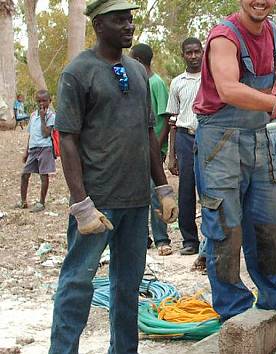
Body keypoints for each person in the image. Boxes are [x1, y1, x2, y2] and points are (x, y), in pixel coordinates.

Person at [49, 1, 178, 353]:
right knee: (77, 282)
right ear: (98, 25)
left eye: (131, 19)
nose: (129, 26)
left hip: (136, 202)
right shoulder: (78, 73)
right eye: (119, 20)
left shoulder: (138, 72)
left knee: (128, 286)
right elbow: (68, 140)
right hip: (98, 203)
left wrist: (163, 186)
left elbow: (148, 132)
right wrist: (81, 204)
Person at [192, 0, 276, 324]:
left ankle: (273, 302)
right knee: (225, 227)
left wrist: (275, 87)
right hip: (220, 139)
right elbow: (229, 89)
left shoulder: (272, 32)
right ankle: (235, 313)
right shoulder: (224, 37)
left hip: (257, 135)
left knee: (271, 223)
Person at [130, 43, 173, 256]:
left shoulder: (156, 83)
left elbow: (165, 118)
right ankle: (142, 237)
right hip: (137, 149)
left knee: (156, 192)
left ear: (137, 60)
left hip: (153, 148)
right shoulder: (136, 82)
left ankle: (162, 239)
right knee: (139, 193)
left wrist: (156, 146)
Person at [165, 37, 204, 257]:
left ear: (202, 51)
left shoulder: (212, 78)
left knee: (209, 189)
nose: (193, 56)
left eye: (197, 52)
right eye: (188, 53)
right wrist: (172, 156)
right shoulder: (177, 82)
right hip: (184, 137)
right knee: (186, 191)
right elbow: (172, 119)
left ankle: (212, 240)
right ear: (183, 55)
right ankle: (190, 240)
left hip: (208, 137)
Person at [16, 90, 55, 212]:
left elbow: (46, 133)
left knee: (44, 176)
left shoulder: (51, 116)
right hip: (33, 149)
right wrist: (26, 152)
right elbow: (30, 135)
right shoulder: (33, 116)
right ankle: (23, 201)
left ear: (50, 101)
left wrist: (43, 118)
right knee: (25, 174)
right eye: (39, 101)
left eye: (44, 100)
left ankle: (41, 202)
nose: (42, 103)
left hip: (45, 148)